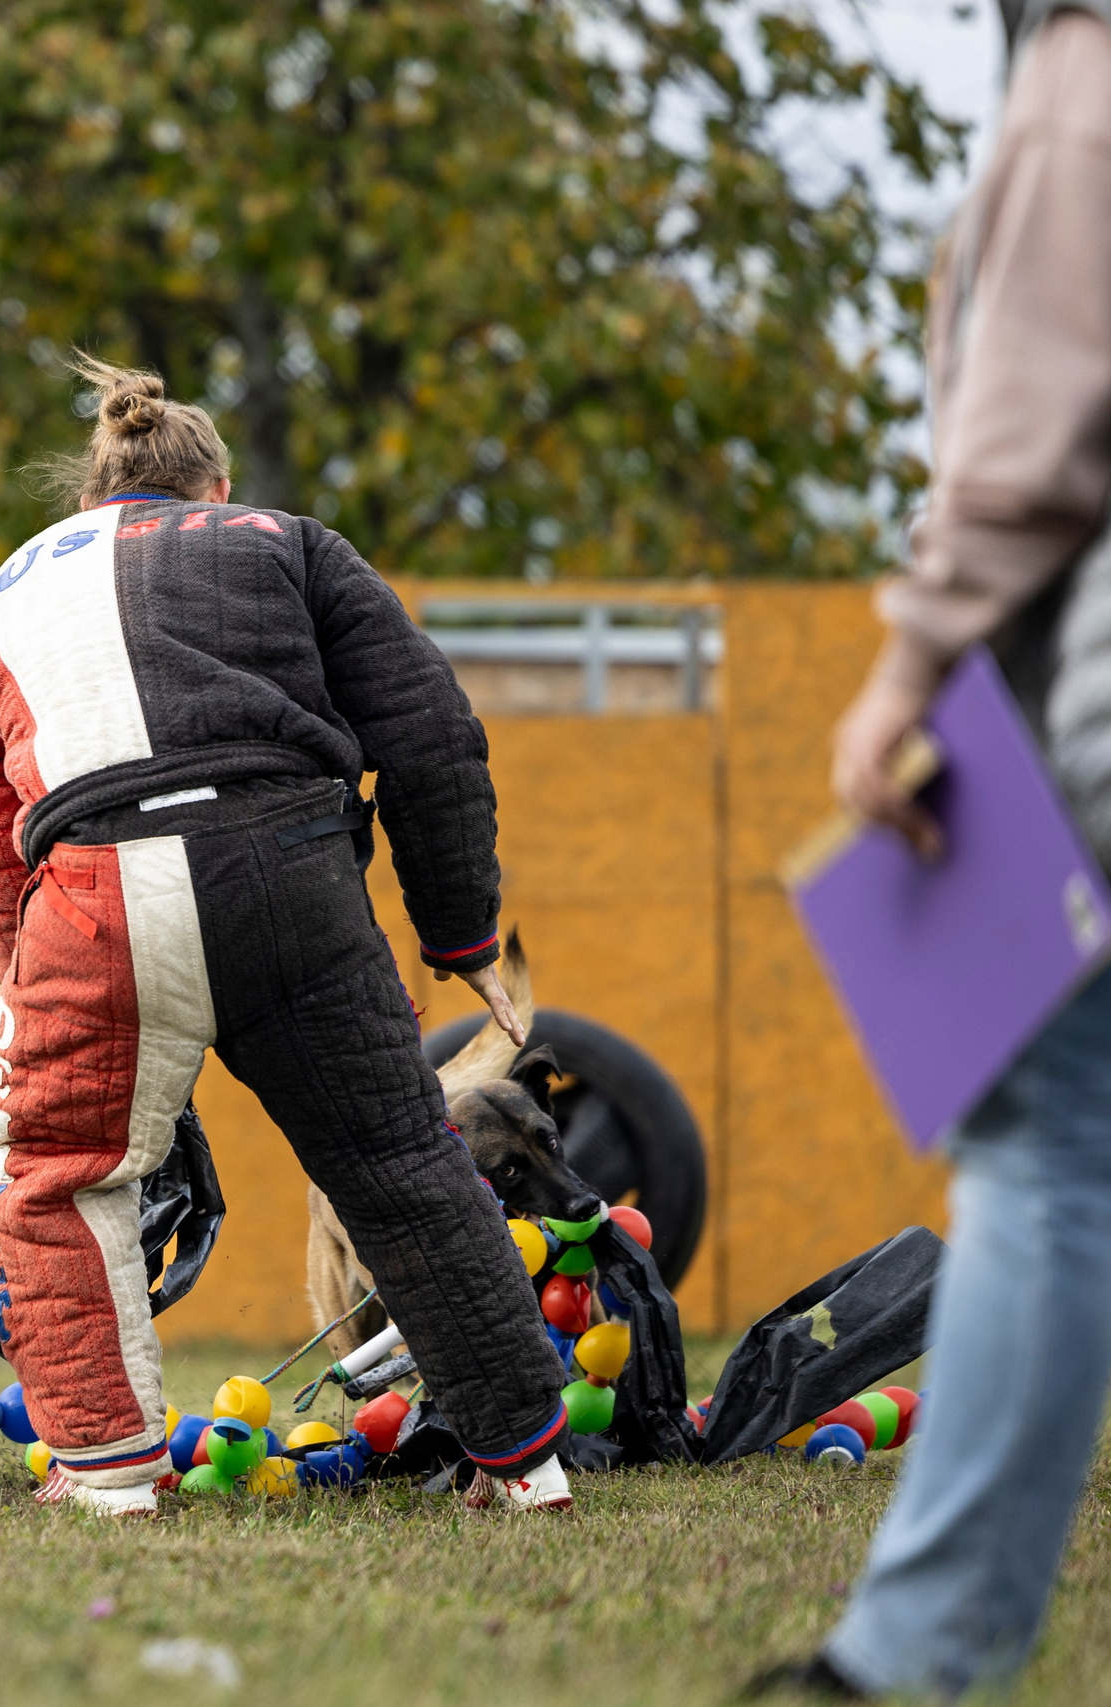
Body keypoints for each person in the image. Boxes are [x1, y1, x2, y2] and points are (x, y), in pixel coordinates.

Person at [0, 353, 575, 1518]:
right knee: (400, 1167)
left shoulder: (5, 595)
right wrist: (463, 933)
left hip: (93, 893)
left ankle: (108, 1475)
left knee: (55, 1188)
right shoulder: (288, 543)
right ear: (214, 488)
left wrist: (33, 988)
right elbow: (432, 735)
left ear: (90, 500)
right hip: (292, 874)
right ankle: (524, 1465)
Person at [753, 3, 1111, 1696]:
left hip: (1089, 719)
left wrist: (909, 663)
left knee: (1048, 1155)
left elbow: (1031, 423)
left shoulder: (1085, 80)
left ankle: (905, 1662)